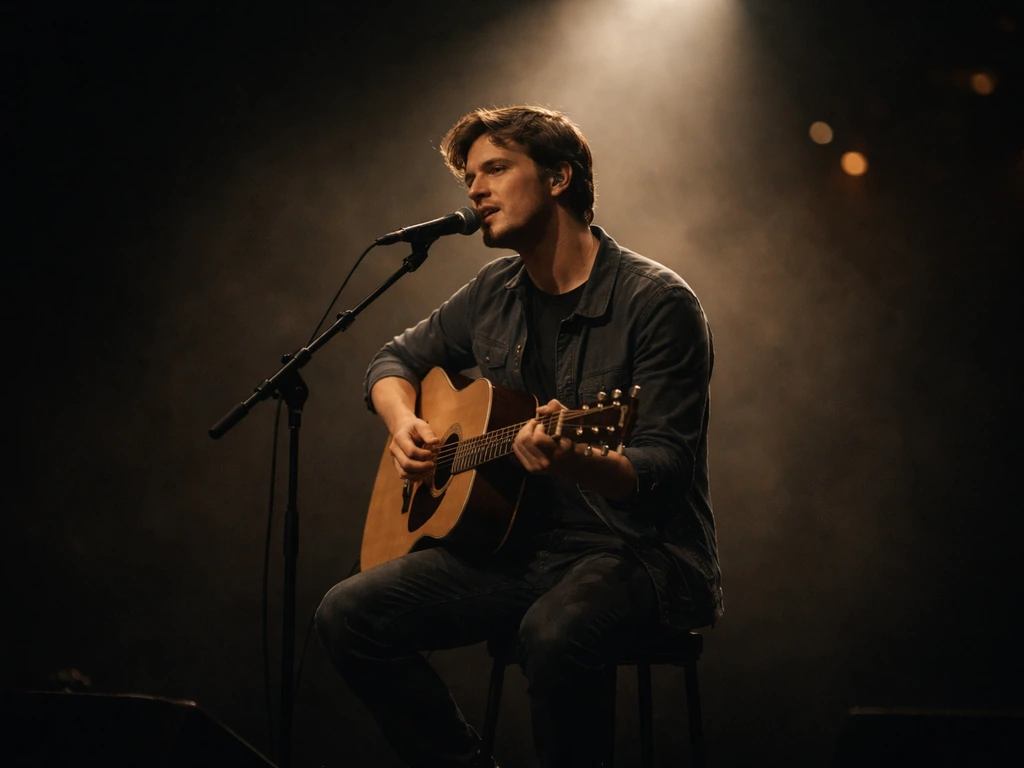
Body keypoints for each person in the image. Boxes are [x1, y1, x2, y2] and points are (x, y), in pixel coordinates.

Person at [316, 106, 722, 768]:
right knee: (347, 615)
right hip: (518, 550)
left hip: (638, 554)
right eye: (469, 177)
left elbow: (665, 466)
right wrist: (404, 422)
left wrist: (577, 460)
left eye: (496, 169)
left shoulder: (657, 302)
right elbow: (389, 363)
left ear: (560, 178)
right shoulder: (492, 292)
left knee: (554, 634)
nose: (474, 190)